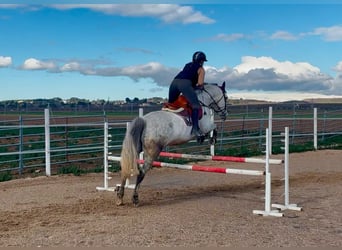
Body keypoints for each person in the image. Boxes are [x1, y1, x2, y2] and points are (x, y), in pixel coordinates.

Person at [168, 51, 207, 139]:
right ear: (201, 61)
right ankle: (195, 129)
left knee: (171, 104)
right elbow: (200, 84)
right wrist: (201, 86)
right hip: (185, 84)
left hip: (174, 83)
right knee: (196, 105)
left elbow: (187, 75)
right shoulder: (201, 69)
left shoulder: (187, 65)